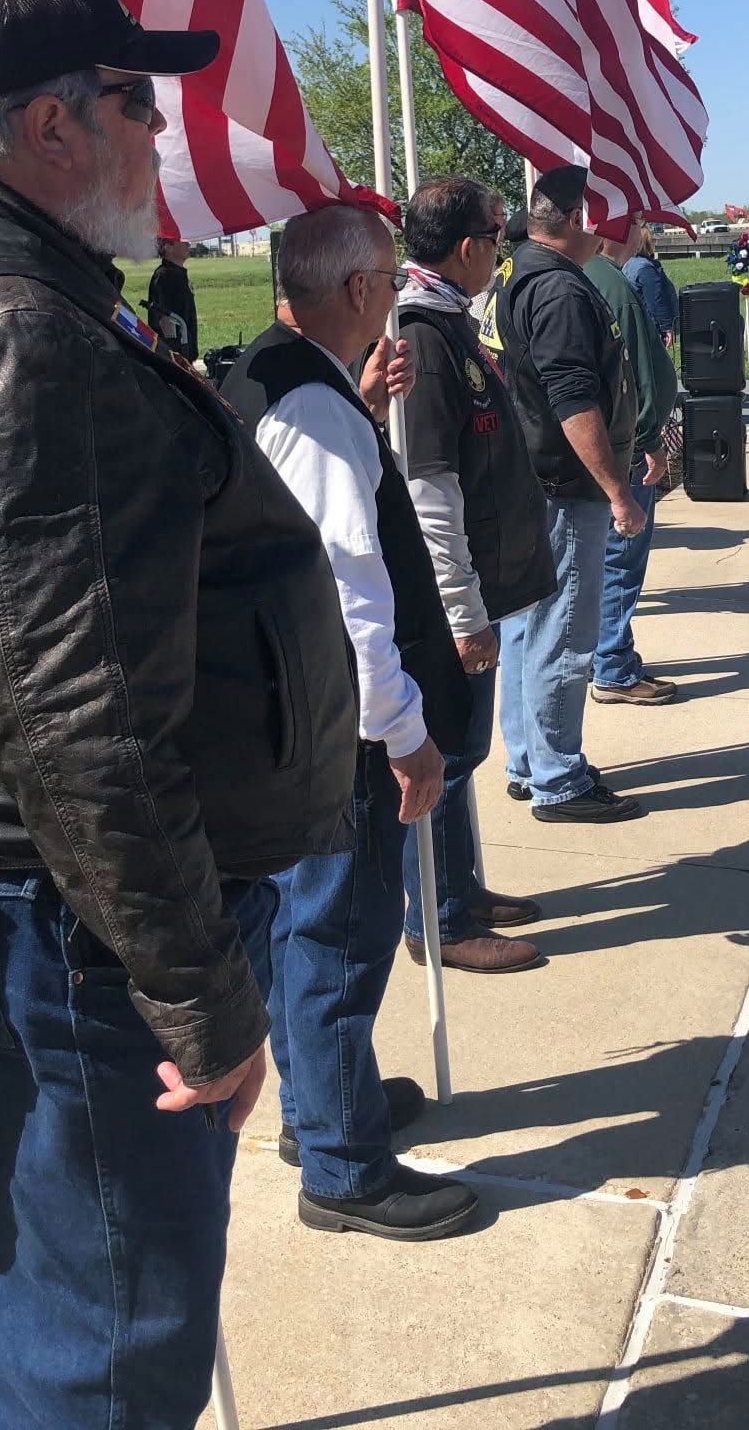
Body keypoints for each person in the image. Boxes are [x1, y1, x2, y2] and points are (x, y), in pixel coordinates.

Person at [0, 0, 359, 1430]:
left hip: (21, 908)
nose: (161, 138)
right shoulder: (6, 329)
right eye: (140, 104)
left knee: (68, 1300)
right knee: (109, 1345)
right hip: (64, 932)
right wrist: (199, 996)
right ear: (54, 128)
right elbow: (72, 718)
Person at [221, 205, 478, 1241]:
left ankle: (325, 1102)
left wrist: (358, 405)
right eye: (387, 281)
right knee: (338, 935)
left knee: (312, 930)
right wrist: (403, 730)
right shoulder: (313, 409)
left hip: (294, 719)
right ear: (362, 293)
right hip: (337, 728)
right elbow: (345, 590)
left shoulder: (282, 375)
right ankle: (343, 1164)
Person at [398, 176, 557, 974]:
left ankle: (461, 885)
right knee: (447, 759)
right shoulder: (423, 335)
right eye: (497, 234)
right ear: (468, 248)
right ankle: (441, 918)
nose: (502, 247)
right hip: (446, 601)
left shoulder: (449, 322)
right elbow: (430, 488)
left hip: (482, 584)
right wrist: (463, 613)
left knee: (462, 759)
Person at [479, 166, 645, 822]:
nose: (608, 226)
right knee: (561, 636)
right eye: (599, 212)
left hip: (528, 483)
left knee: (526, 630)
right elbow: (572, 397)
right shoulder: (557, 291)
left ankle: (528, 760)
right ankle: (557, 777)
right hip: (562, 489)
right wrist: (616, 490)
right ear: (576, 218)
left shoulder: (515, 273)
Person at [587, 219, 681, 704]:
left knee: (588, 563)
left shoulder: (546, 275)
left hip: (583, 447)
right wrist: (651, 438)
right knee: (621, 558)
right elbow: (646, 371)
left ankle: (601, 657)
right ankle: (614, 666)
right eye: (634, 224)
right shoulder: (611, 282)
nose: (639, 234)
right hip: (622, 445)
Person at [624, 226, 679, 344]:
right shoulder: (646, 269)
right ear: (646, 243)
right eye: (653, 240)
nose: (655, 243)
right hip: (651, 327)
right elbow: (656, 300)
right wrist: (667, 327)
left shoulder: (629, 264)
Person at [146, 235, 198, 355]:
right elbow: (162, 319)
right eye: (181, 241)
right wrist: (176, 352)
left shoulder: (177, 274)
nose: (188, 244)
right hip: (175, 352)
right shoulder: (164, 276)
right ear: (168, 247)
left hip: (185, 347)